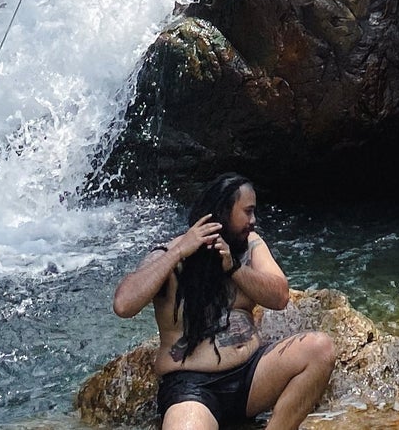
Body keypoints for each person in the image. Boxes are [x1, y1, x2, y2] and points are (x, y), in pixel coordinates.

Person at [112, 171, 335, 430]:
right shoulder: (169, 253)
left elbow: (280, 297)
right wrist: (179, 251)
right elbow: (123, 305)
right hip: (192, 389)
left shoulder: (250, 245)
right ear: (223, 212)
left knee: (320, 348)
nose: (253, 220)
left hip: (252, 376)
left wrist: (234, 268)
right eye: (247, 212)